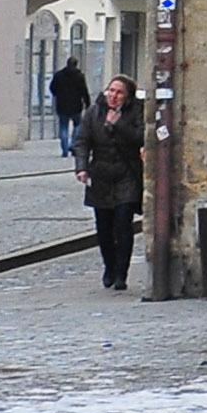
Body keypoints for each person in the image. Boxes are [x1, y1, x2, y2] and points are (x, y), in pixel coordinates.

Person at [72, 74, 146, 293]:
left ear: (127, 96)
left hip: (127, 174)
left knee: (123, 225)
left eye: (119, 92)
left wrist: (119, 125)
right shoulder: (94, 113)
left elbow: (141, 137)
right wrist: (82, 167)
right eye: (111, 91)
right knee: (104, 228)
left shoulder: (135, 112)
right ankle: (109, 267)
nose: (113, 96)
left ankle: (122, 273)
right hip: (101, 175)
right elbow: (82, 142)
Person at [51, 57, 91, 159]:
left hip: (62, 105)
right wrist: (87, 104)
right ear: (76, 64)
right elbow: (84, 91)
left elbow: (52, 88)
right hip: (76, 105)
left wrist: (58, 95)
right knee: (77, 125)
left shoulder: (59, 75)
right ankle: (73, 145)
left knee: (63, 127)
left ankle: (64, 150)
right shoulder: (79, 76)